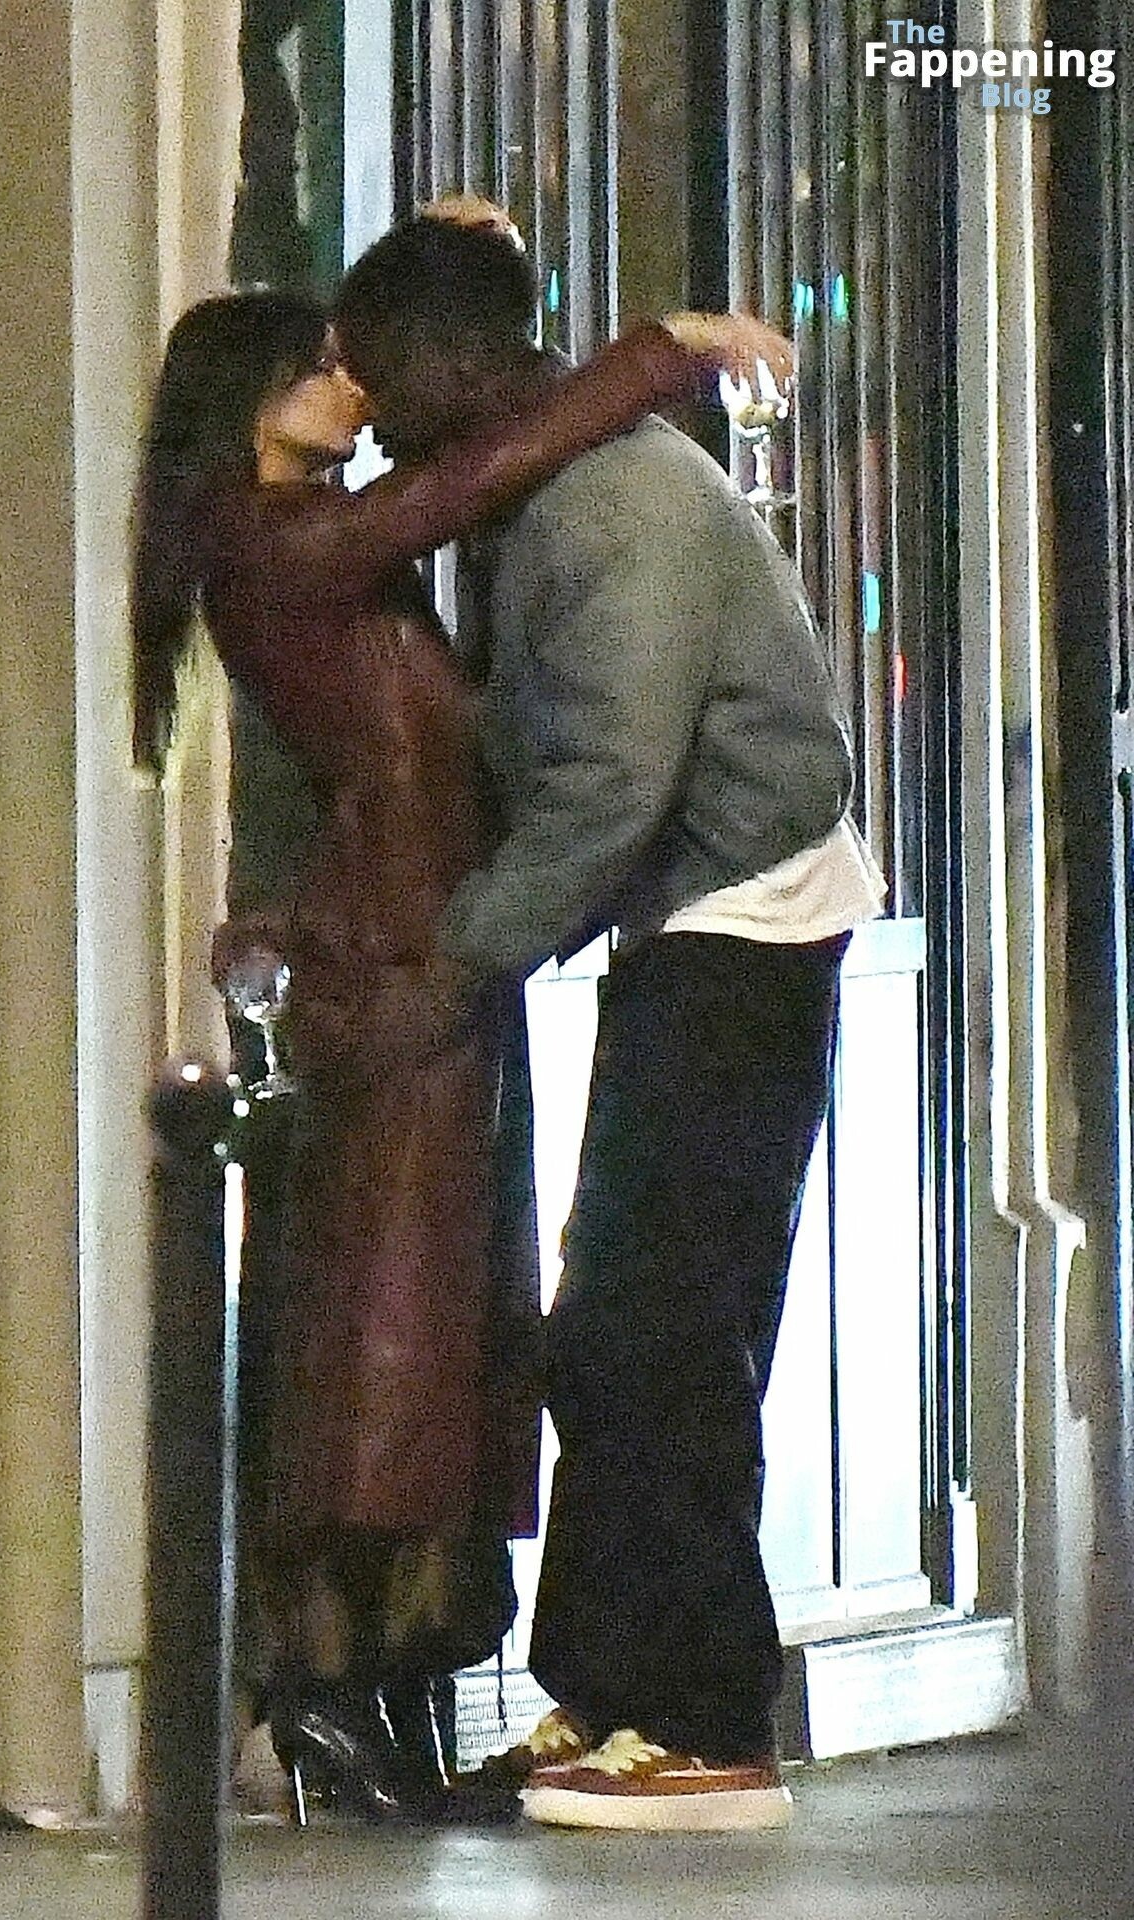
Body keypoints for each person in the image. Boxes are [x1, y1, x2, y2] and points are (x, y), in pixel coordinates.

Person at [131, 267, 785, 1824]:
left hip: (439, 946)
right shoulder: (275, 538)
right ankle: (330, 1679)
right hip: (404, 963)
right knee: (391, 1336)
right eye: (322, 370)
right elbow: (470, 477)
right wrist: (661, 353)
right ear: (253, 404)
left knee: (442, 1331)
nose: (354, 391)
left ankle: (401, 1670)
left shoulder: (309, 534)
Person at [332, 215, 887, 1832]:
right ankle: (611, 1698)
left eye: (380, 376)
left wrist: (455, 965)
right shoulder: (560, 494)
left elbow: (609, 785)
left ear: (456, 363)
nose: (371, 420)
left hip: (742, 929)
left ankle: (704, 1724)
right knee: (616, 1333)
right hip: (702, 924)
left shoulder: (609, 503)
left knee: (660, 1339)